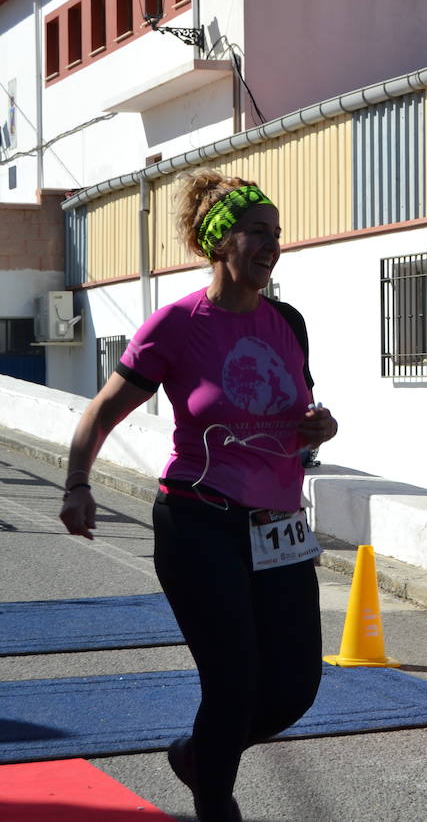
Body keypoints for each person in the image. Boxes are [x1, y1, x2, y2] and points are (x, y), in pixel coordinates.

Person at [57, 170, 337, 822]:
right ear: (219, 241)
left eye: (277, 234)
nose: (272, 245)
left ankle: (198, 757)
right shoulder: (177, 326)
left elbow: (299, 413)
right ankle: (215, 800)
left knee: (294, 688)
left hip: (279, 529)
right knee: (233, 683)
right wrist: (77, 485)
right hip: (199, 522)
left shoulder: (287, 324)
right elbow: (102, 412)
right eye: (256, 232)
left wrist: (318, 427)